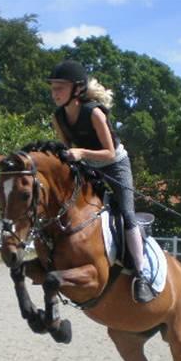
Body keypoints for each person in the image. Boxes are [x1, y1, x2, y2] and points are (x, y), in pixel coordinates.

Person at [47, 60, 155, 303]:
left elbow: (108, 152)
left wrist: (82, 153)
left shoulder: (94, 113)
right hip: (87, 168)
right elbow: (67, 149)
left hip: (115, 166)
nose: (54, 94)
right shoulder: (59, 116)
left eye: (59, 88)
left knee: (127, 214)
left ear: (76, 90)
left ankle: (141, 274)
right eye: (53, 89)